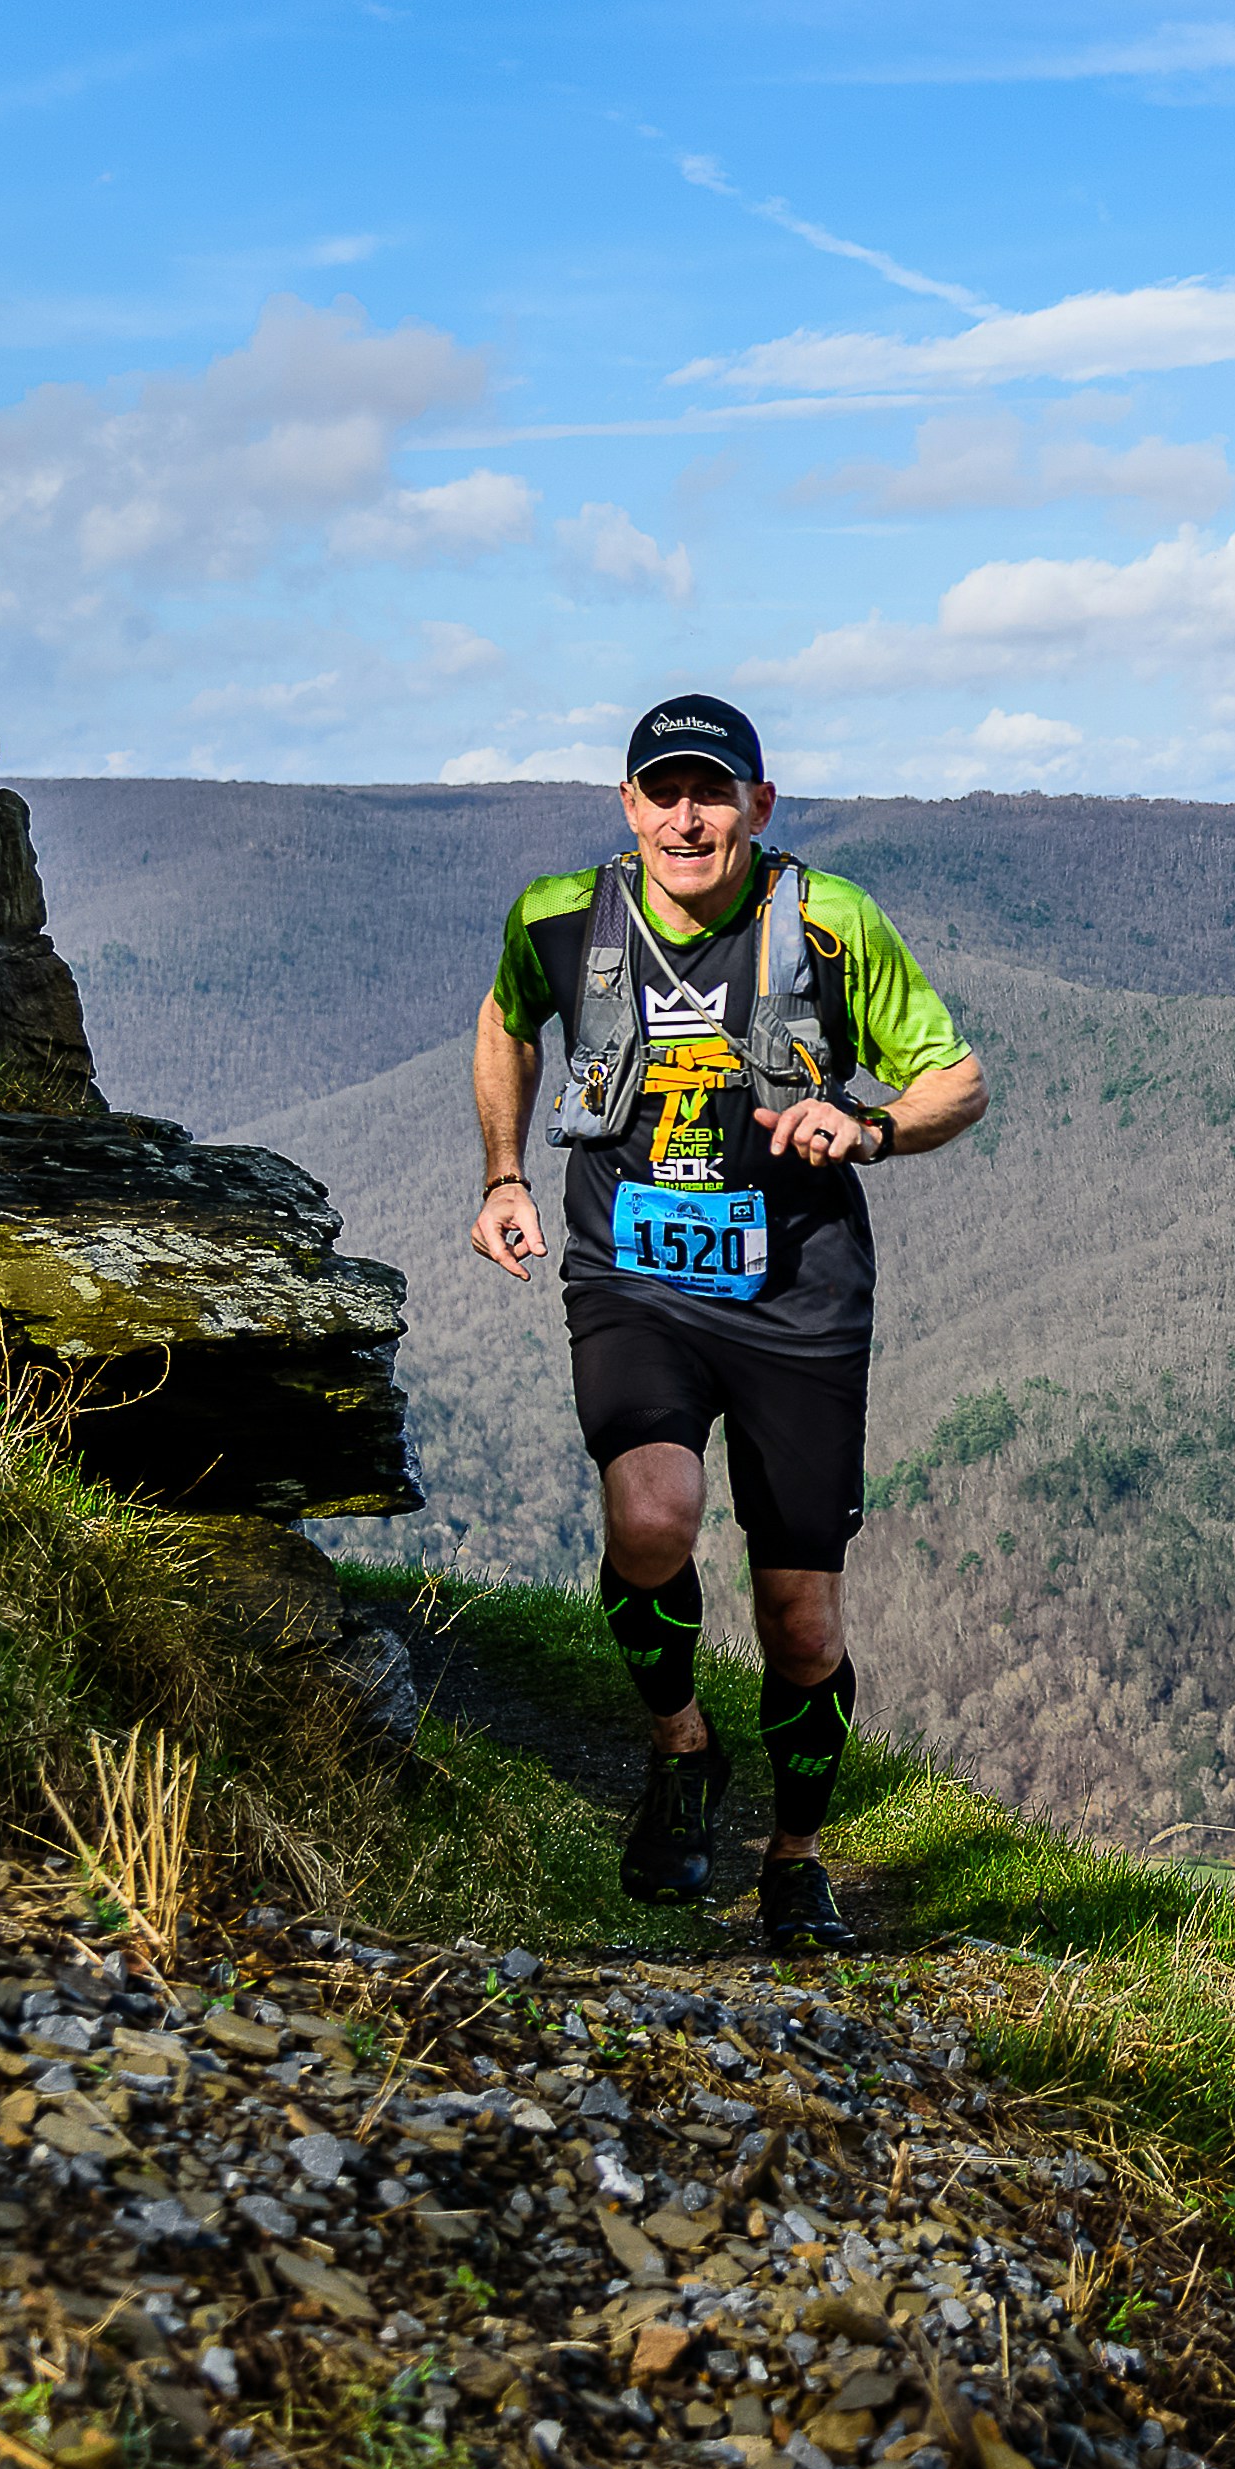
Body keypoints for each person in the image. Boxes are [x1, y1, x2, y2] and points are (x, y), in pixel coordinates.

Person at [467, 695, 986, 1956]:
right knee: (649, 1515)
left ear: (760, 804)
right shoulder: (555, 916)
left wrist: (865, 1127)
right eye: (663, 791)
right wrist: (503, 1174)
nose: (687, 817)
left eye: (714, 792)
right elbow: (505, 1023)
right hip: (632, 1271)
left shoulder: (829, 921)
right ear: (628, 804)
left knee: (801, 1620)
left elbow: (955, 1080)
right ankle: (678, 1747)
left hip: (797, 1289)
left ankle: (796, 1853)